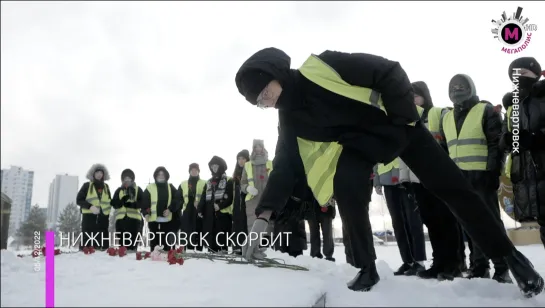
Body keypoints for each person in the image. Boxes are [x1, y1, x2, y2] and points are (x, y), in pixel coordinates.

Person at [234, 47, 543, 296]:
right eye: (258, 103)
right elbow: (285, 163)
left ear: (274, 75)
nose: (266, 102)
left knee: (454, 188)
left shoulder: (322, 67)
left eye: (263, 93)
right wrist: (265, 215)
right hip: (359, 147)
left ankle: (512, 259)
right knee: (347, 186)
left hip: (398, 125)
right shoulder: (289, 118)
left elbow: (387, 70)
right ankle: (366, 267)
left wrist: (403, 116)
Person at [439, 74, 511, 283]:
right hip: (459, 180)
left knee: (490, 224)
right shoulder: (446, 117)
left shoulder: (485, 110)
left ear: (471, 88)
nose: (457, 89)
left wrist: (491, 172)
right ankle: (479, 266)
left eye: (462, 85)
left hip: (482, 178)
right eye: (454, 86)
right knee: (468, 225)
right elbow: (446, 150)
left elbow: (495, 144)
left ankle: (501, 267)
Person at [402, 81, 463, 281]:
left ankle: (453, 264)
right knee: (431, 222)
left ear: (425, 96)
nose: (413, 100)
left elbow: (450, 142)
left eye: (416, 96)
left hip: (440, 177)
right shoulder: (409, 119)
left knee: (446, 221)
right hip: (419, 180)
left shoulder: (439, 113)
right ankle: (438, 263)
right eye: (409, 97)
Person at [500, 57, 545, 249]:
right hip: (528, 176)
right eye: (515, 76)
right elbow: (504, 136)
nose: (520, 79)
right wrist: (507, 140)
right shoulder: (512, 106)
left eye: (524, 74)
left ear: (537, 74)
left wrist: (536, 139)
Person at [374, 145, 426, 276]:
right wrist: (376, 181)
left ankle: (419, 261)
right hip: (386, 178)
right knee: (397, 223)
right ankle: (407, 261)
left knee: (413, 220)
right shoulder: (376, 130)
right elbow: (373, 155)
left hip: (404, 177)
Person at [197, 156, 234, 253]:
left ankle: (223, 251)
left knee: (222, 235)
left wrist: (220, 206)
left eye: (215, 166)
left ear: (221, 166)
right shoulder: (208, 182)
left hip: (222, 215)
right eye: (212, 166)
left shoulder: (229, 180)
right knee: (210, 236)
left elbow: (230, 197)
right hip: (209, 214)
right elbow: (203, 198)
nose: (213, 168)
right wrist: (200, 209)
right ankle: (211, 251)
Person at [141, 167, 180, 252]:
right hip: (153, 221)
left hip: (167, 222)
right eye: (159, 174)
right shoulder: (150, 187)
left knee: (166, 247)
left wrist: (170, 209)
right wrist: (146, 213)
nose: (161, 176)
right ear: (155, 176)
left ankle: (166, 260)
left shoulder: (170, 187)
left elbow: (177, 199)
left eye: (163, 174)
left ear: (166, 176)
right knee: (154, 247)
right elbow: (144, 202)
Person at [76, 164, 112, 250]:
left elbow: (109, 201)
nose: (99, 174)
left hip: (103, 219)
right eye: (97, 172)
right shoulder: (87, 186)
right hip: (89, 218)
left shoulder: (106, 187)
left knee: (102, 245)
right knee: (87, 242)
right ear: (93, 174)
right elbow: (79, 200)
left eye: (101, 173)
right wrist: (90, 206)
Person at [241, 139, 273, 233]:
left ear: (263, 148)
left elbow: (276, 181)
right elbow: (242, 183)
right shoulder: (247, 165)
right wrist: (247, 188)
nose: (258, 149)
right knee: (253, 226)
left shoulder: (270, 163)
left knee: (267, 224)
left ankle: (266, 245)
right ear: (253, 149)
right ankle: (254, 246)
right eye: (256, 147)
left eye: (260, 146)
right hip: (252, 199)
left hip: (268, 198)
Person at [110, 169, 144, 251]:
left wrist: (133, 205)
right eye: (125, 178)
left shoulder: (138, 189)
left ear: (132, 179)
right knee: (122, 248)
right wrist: (121, 201)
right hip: (121, 222)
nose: (127, 180)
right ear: (122, 180)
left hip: (134, 222)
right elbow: (114, 203)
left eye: (129, 178)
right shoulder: (119, 190)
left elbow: (143, 203)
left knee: (132, 247)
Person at [177, 163, 207, 251]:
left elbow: (207, 196)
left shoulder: (204, 182)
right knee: (187, 232)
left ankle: (199, 250)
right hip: (187, 211)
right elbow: (178, 198)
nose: (194, 172)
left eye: (196, 170)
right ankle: (188, 250)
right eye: (192, 170)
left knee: (199, 231)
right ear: (189, 171)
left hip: (199, 211)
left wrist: (200, 204)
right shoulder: (183, 184)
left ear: (198, 171)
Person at [307, 197, 336, 262]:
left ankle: (328, 257)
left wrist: (327, 204)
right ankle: (316, 256)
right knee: (315, 234)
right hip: (311, 209)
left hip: (326, 209)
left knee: (327, 234)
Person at [232, 150, 250, 254]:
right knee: (236, 226)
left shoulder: (250, 171)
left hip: (247, 203)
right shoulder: (235, 174)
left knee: (245, 226)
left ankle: (246, 248)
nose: (241, 161)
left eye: (243, 158)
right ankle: (236, 248)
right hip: (236, 205)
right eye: (239, 158)